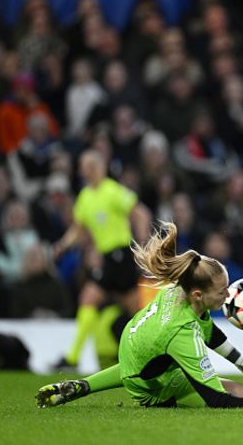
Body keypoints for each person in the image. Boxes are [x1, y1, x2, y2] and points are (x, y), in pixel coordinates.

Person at [36, 221, 243, 409]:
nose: (229, 296)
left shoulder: (179, 290)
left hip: (134, 350)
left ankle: (82, 385)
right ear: (199, 295)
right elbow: (216, 400)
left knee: (143, 362)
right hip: (149, 385)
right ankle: (156, 398)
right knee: (241, 396)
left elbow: (209, 332)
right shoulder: (181, 332)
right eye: (222, 291)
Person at [52, 149, 152, 370]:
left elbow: (141, 213)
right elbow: (78, 229)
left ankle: (74, 358)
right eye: (83, 167)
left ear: (99, 167)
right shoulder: (85, 197)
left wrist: (143, 244)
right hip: (108, 259)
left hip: (122, 255)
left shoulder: (112, 191)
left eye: (89, 166)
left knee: (124, 306)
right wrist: (62, 245)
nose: (85, 171)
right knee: (108, 302)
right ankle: (74, 358)